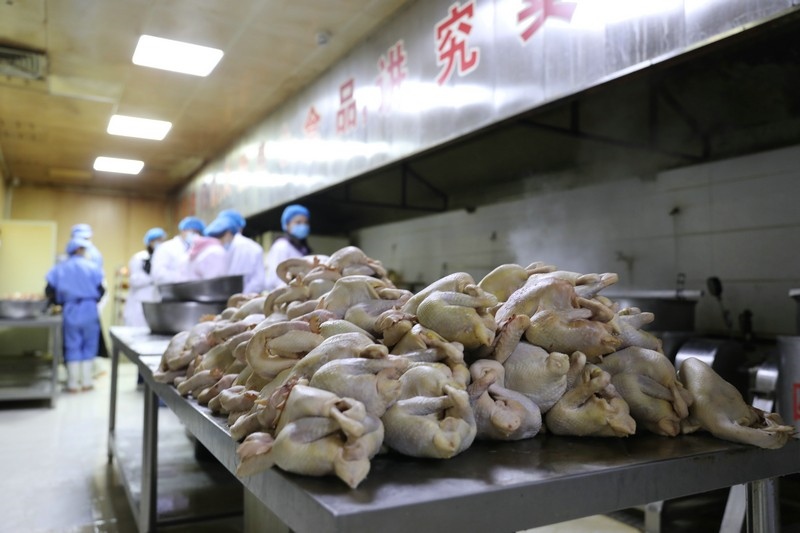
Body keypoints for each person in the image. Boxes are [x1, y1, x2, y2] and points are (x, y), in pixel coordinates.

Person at [45, 238, 105, 392]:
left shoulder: (60, 268)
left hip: (70, 309)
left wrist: (60, 301)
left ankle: (72, 384)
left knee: (72, 345)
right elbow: (101, 290)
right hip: (90, 309)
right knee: (89, 345)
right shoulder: (92, 266)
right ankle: (86, 382)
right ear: (79, 249)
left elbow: (49, 291)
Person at [204, 209, 266, 294]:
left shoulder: (245, 247)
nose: (220, 241)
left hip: (246, 297)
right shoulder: (247, 247)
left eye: (221, 236)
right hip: (243, 297)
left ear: (229, 232)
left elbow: (258, 282)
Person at [123, 227, 167, 327]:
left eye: (161, 240)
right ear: (149, 241)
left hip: (155, 301)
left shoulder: (162, 258)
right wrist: (150, 278)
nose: (159, 243)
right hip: (138, 303)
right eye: (156, 240)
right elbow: (134, 280)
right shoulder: (140, 258)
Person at [264, 204, 312, 291]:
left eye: (306, 223)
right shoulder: (281, 246)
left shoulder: (302, 250)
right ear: (287, 225)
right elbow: (274, 279)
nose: (303, 226)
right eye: (298, 222)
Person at [150, 216, 205, 286]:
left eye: (198, 232)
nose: (196, 235)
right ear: (183, 230)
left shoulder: (199, 248)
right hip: (171, 289)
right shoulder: (166, 248)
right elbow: (158, 274)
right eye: (193, 231)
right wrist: (183, 278)